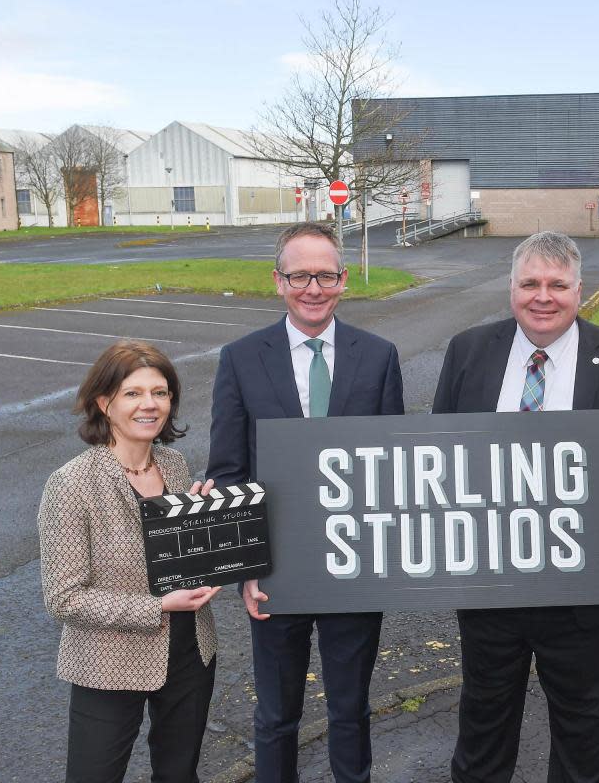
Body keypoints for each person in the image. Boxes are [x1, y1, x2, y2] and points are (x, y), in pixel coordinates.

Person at [432, 231, 599, 783]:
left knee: (582, 728)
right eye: (530, 284)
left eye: (556, 285)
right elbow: (441, 455)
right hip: (488, 585)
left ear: (578, 289)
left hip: (586, 589)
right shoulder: (468, 352)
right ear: (511, 288)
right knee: (483, 724)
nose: (542, 296)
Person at [207, 222, 404, 783]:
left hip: (354, 568)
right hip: (277, 571)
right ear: (278, 281)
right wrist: (245, 569)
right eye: (299, 275)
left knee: (349, 710)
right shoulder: (242, 359)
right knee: (275, 715)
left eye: (325, 275)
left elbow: (390, 469)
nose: (312, 287)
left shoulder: (379, 356)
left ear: (344, 281)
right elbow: (228, 471)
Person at [38, 340, 221, 783]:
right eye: (133, 393)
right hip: (108, 661)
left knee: (179, 774)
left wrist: (208, 530)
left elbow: (180, 559)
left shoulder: (175, 466)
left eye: (160, 392)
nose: (150, 404)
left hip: (189, 649)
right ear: (104, 402)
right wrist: (158, 607)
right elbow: (64, 599)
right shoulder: (72, 484)